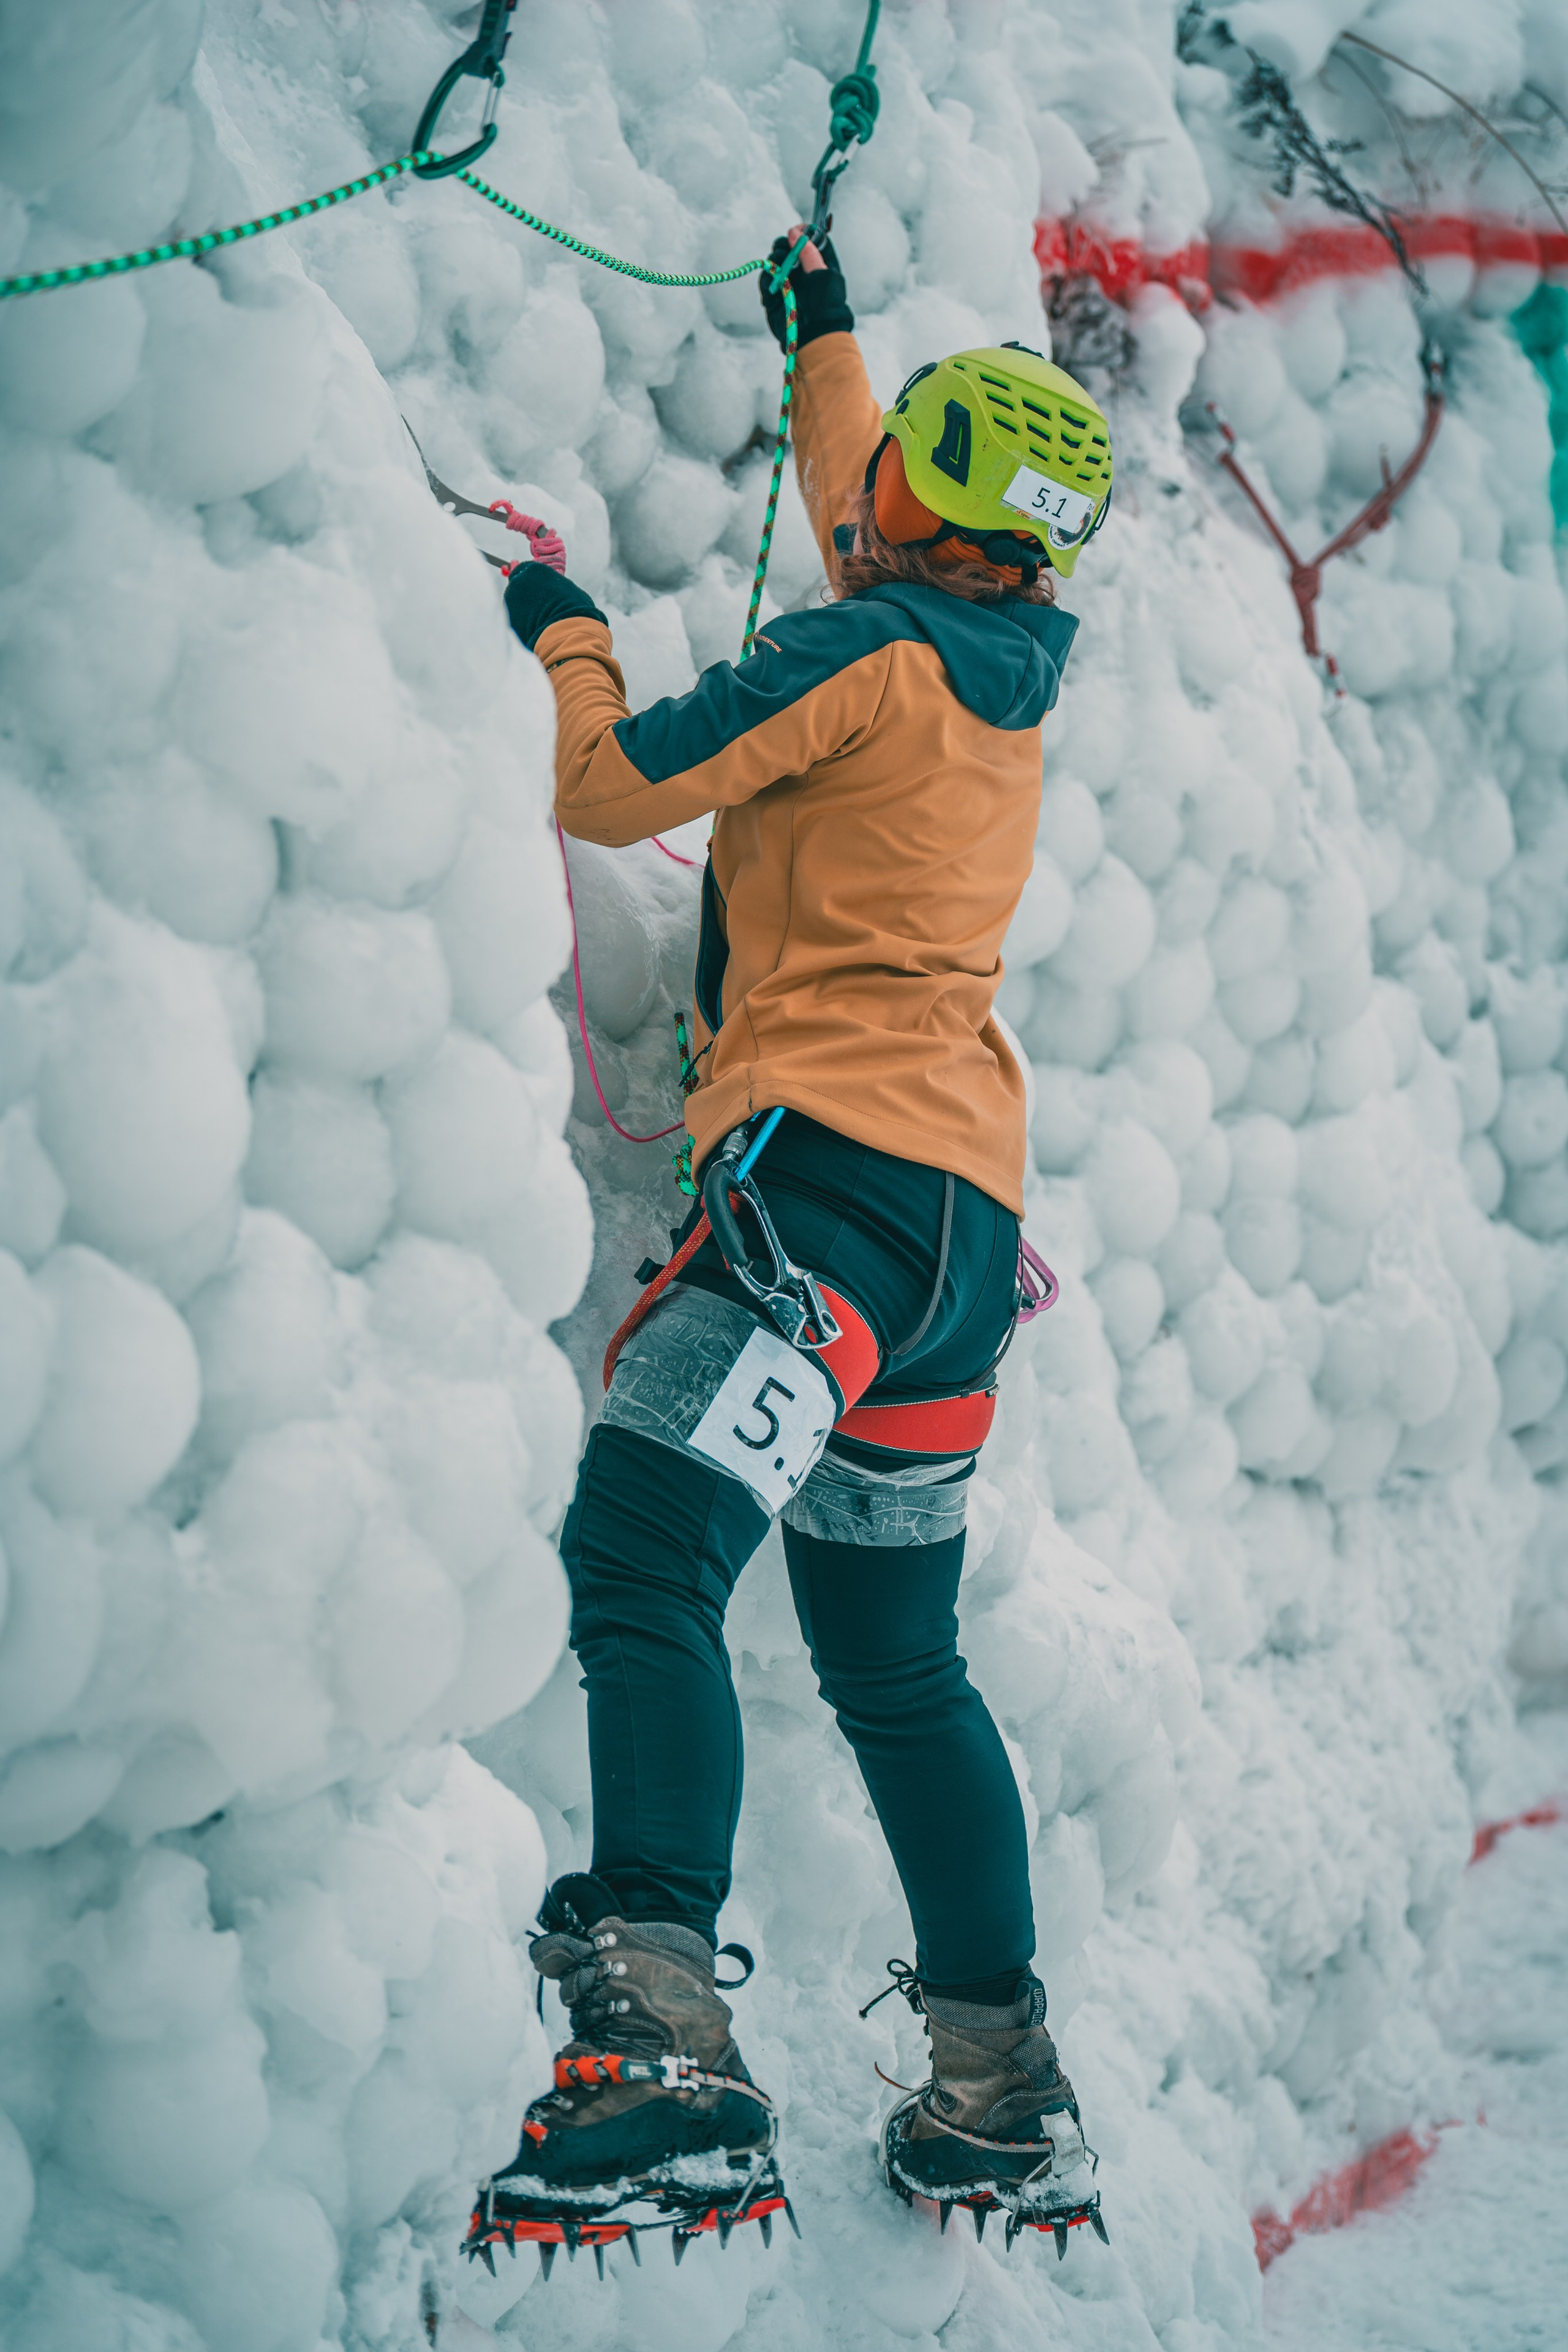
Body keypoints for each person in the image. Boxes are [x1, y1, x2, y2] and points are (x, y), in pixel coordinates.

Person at [466, 229, 1114, 2274]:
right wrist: (824, 330)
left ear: (927, 509)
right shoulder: (991, 654)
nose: (872, 485)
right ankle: (1005, 2097)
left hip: (820, 1198)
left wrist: (562, 624)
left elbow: (608, 777)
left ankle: (661, 2058)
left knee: (647, 1557)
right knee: (899, 1671)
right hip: (953, 1240)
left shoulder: (861, 659)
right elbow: (877, 492)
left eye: (897, 463)